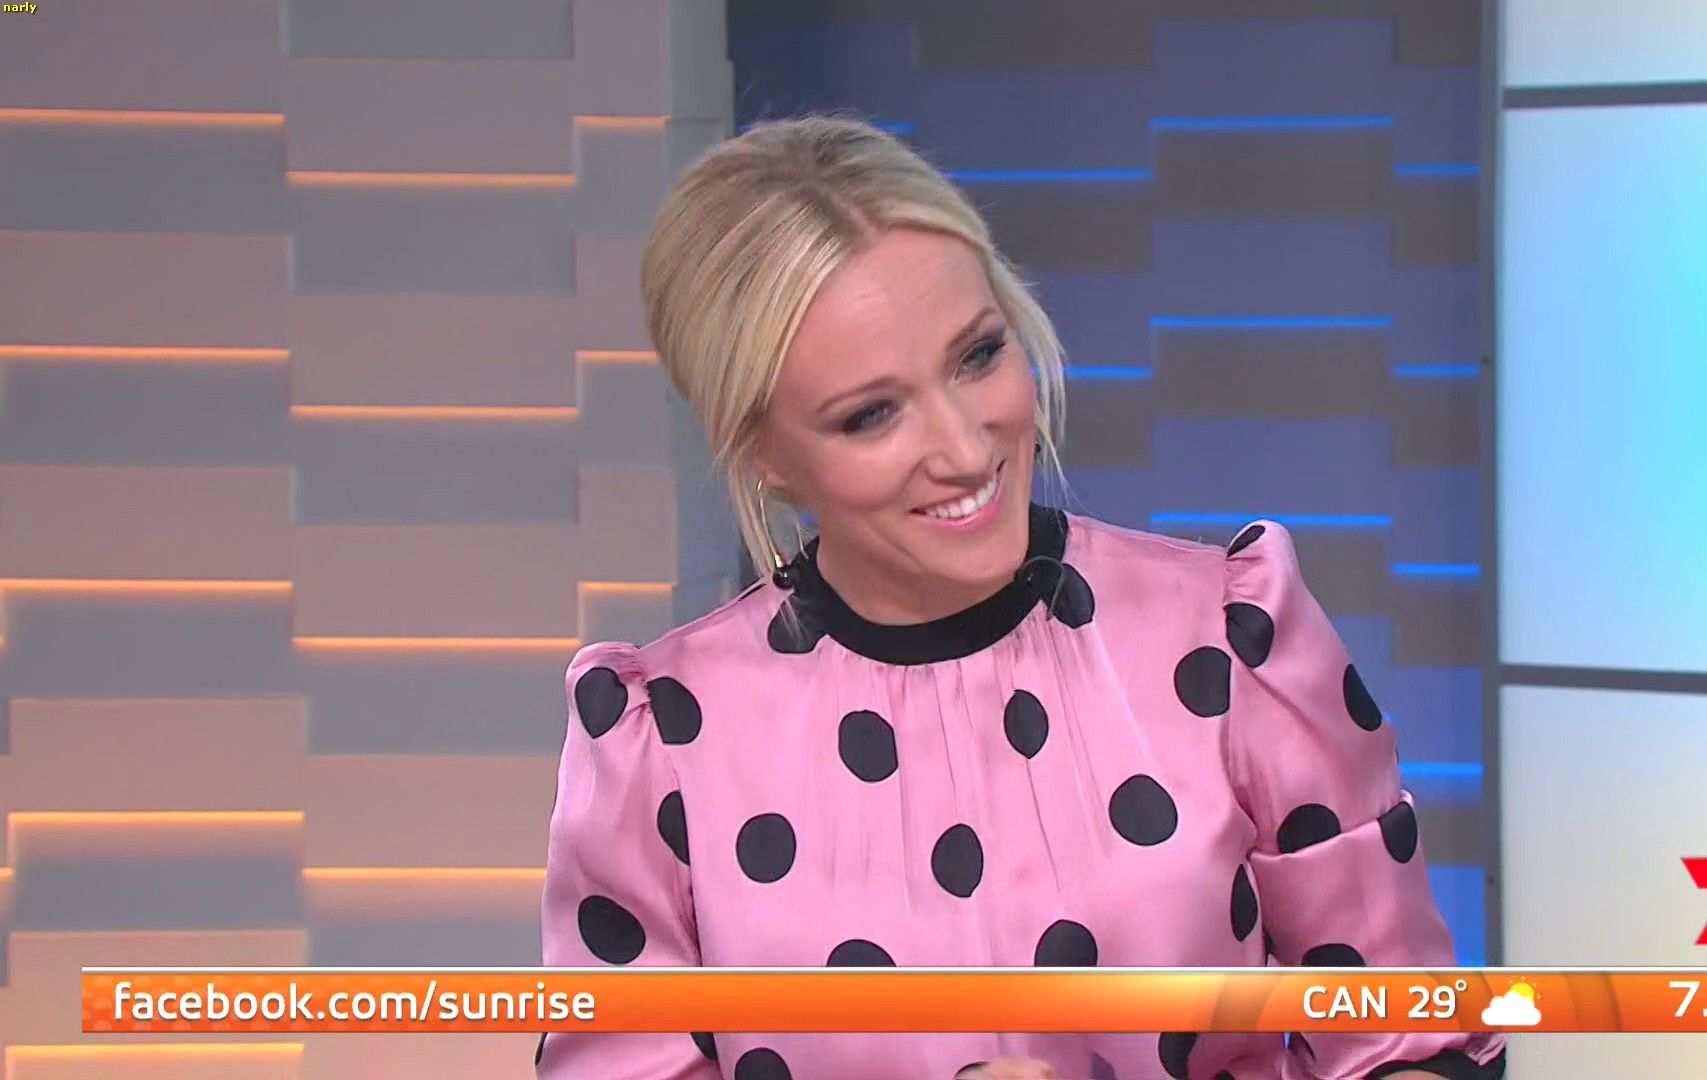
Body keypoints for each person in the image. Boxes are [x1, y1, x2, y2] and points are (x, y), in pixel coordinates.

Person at [537, 114, 1509, 1080]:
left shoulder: (1232, 638)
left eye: (977, 356)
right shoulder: (660, 748)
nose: (966, 449)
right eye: (872, 415)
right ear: (764, 454)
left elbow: (1408, 1041)